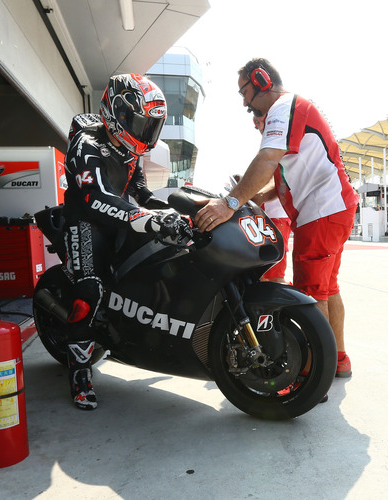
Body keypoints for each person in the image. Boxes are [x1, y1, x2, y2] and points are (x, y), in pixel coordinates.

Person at [194, 58, 358, 379]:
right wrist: (258, 195)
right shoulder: (289, 110)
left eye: (245, 92)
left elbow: (268, 159)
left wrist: (230, 202)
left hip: (322, 211)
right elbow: (280, 175)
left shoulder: (283, 107)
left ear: (261, 80)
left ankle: (313, 377)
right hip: (332, 208)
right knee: (329, 288)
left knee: (311, 295)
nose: (244, 103)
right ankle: (338, 360)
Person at [61, 73, 193, 410]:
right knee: (91, 291)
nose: (146, 133)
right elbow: (95, 195)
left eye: (151, 126)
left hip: (118, 219)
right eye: (140, 123)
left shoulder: (130, 152)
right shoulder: (85, 144)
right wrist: (144, 218)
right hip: (85, 222)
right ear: (117, 114)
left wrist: (176, 213)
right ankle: (79, 373)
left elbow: (140, 194)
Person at [251, 111, 292, 284]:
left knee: (274, 274)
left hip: (277, 218)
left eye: (261, 121)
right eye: (256, 124)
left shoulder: (279, 141)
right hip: (270, 218)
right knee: (264, 273)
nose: (259, 127)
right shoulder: (271, 143)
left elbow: (280, 180)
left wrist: (257, 195)